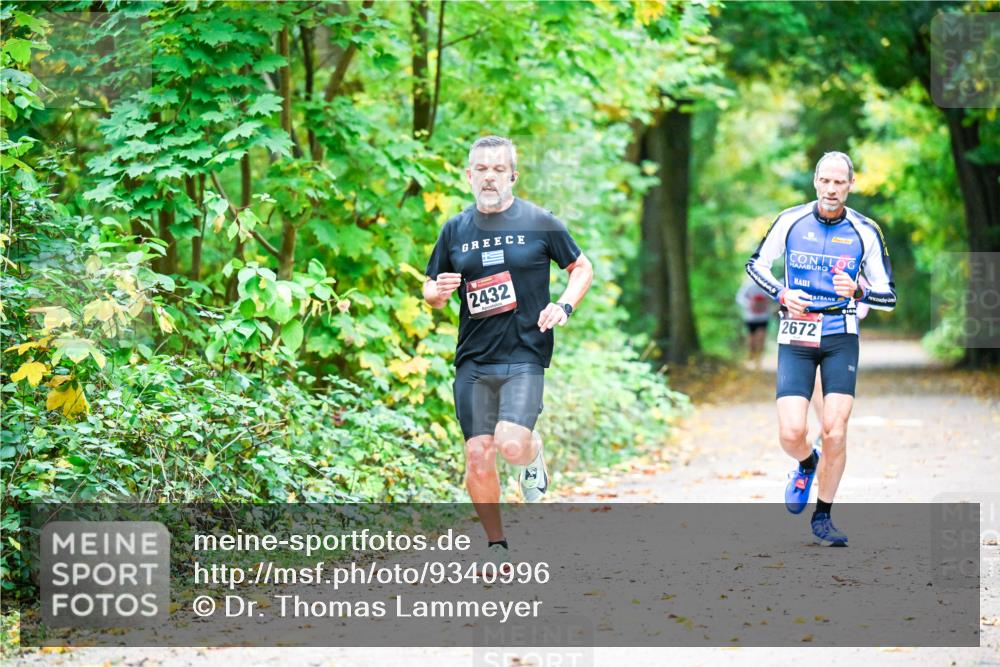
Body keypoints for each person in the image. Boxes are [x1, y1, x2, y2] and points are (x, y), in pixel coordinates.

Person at [423, 136, 593, 565]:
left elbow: (581, 267)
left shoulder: (539, 221)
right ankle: (496, 544)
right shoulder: (455, 229)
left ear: (513, 175)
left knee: (510, 444)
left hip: (524, 354)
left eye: (498, 169)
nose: (489, 177)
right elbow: (431, 286)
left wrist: (564, 305)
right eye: (481, 169)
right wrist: (437, 293)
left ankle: (532, 456)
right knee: (478, 454)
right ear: (469, 176)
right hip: (474, 358)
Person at [745, 151, 896, 546]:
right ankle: (805, 462)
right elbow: (755, 265)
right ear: (816, 182)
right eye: (825, 181)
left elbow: (888, 295)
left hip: (840, 334)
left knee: (835, 430)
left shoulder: (865, 231)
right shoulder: (790, 220)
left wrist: (860, 289)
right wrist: (782, 292)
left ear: (851, 185)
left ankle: (824, 516)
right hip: (797, 333)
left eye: (839, 182)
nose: (831, 189)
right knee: (793, 432)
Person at [809, 276, 870, 450]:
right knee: (816, 381)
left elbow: (863, 307)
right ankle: (825, 426)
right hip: (809, 330)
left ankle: (830, 426)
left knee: (831, 383)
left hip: (841, 334)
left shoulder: (854, 272)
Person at [735, 276, 775, 370]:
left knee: (761, 338)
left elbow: (773, 297)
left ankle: (759, 360)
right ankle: (751, 353)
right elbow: (739, 298)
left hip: (763, 317)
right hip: (751, 317)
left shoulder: (767, 285)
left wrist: (770, 307)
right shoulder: (748, 285)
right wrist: (749, 305)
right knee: (751, 338)